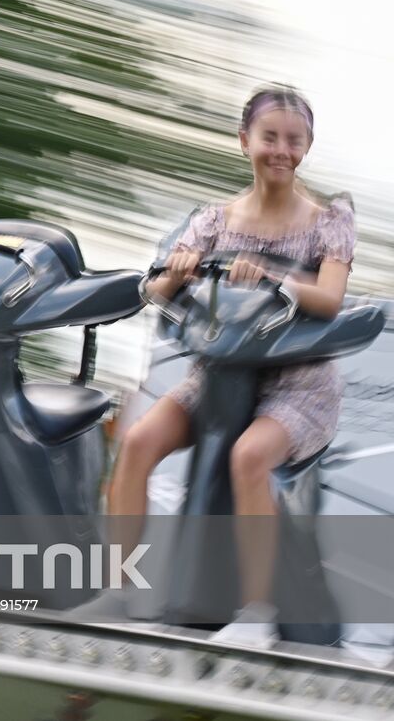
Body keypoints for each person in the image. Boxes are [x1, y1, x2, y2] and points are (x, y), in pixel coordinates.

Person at [106, 85, 354, 647]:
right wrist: (180, 271)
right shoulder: (213, 221)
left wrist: (270, 276)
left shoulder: (329, 221)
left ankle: (257, 612)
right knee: (140, 441)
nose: (281, 150)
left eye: (294, 141)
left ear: (306, 148)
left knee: (248, 457)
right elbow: (156, 292)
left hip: (298, 385)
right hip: (219, 376)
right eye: (270, 138)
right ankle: (117, 591)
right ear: (245, 142)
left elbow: (331, 299)